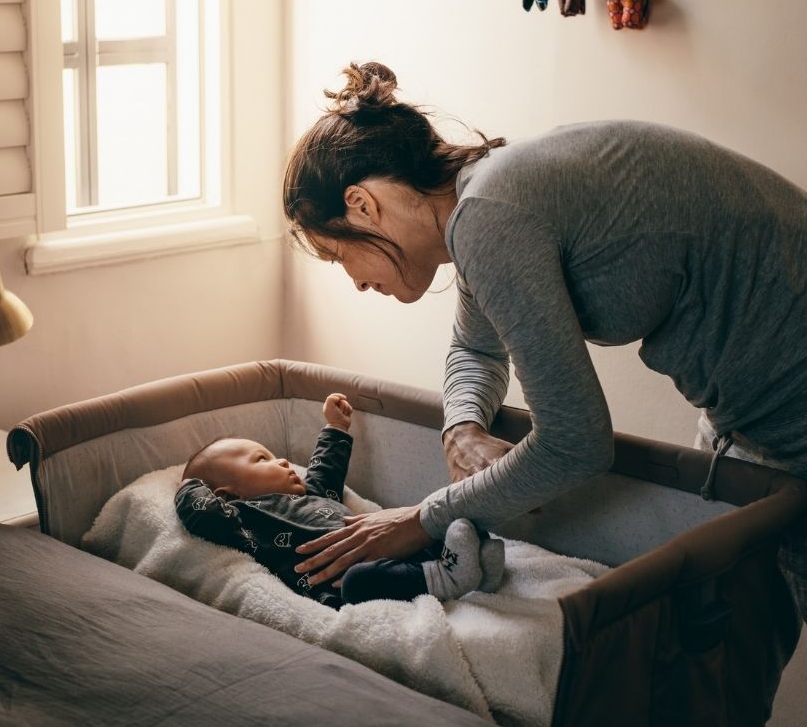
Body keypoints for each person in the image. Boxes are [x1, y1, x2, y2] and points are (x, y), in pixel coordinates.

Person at [281, 61, 807, 621]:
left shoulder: (488, 217)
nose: (357, 281)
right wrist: (461, 427)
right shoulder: (483, 198)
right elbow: (475, 348)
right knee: (725, 626)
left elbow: (576, 443)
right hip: (750, 407)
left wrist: (419, 520)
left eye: (341, 256)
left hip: (785, 402)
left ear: (362, 204)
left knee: (729, 628)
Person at [174, 393, 504, 609]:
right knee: (361, 581)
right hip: (340, 583)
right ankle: (445, 577)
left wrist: (335, 427)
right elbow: (204, 516)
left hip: (383, 544)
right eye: (263, 460)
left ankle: (472, 569)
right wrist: (190, 485)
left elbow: (326, 474)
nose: (283, 462)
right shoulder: (243, 520)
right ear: (227, 495)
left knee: (429, 527)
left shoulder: (310, 496)